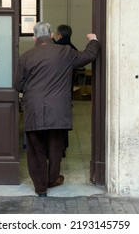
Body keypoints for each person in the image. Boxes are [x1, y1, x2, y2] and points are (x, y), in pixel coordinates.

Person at [15, 22, 100, 197]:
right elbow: (89, 55)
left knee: (35, 148)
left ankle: (40, 188)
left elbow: (18, 85)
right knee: (55, 146)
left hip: (34, 108)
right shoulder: (65, 52)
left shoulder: (25, 57)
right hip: (58, 109)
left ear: (34, 38)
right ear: (52, 35)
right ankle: (53, 178)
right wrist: (93, 40)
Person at [53, 24, 78, 156]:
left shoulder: (56, 48)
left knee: (54, 119)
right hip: (66, 89)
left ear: (60, 35)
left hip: (54, 88)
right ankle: (63, 146)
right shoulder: (72, 49)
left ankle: (55, 150)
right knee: (64, 117)